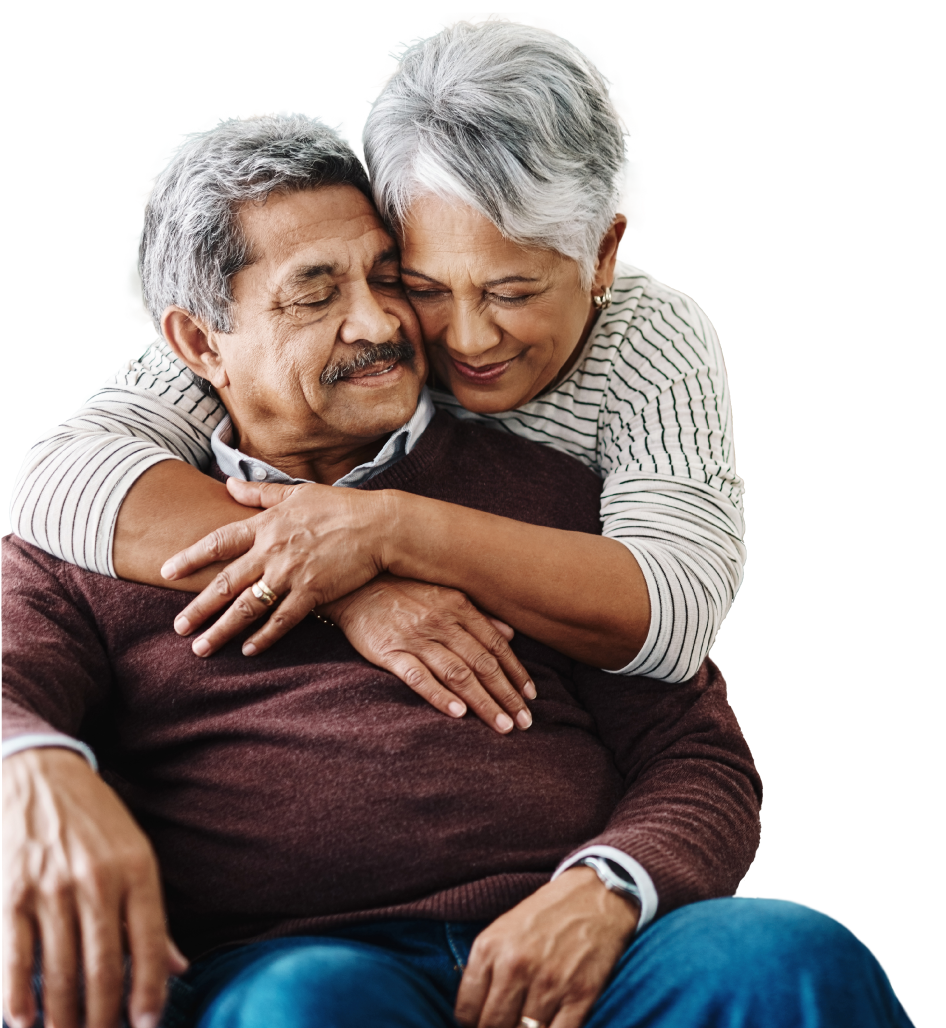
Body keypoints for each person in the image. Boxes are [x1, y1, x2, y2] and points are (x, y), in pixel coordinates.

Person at [1, 113, 910, 1028]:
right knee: (311, 1002)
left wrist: (608, 889)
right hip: (297, 956)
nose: (380, 321)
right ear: (199, 346)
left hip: (586, 947)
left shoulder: (548, 493)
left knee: (789, 957)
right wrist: (36, 767)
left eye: (389, 277)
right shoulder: (98, 532)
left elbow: (694, 750)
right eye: (314, 295)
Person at [10, 18, 745, 733]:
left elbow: (678, 615)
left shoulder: (650, 343)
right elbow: (62, 477)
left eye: (512, 292)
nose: (465, 338)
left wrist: (388, 529)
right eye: (421, 284)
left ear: (605, 254)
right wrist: (355, 585)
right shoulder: (335, 324)